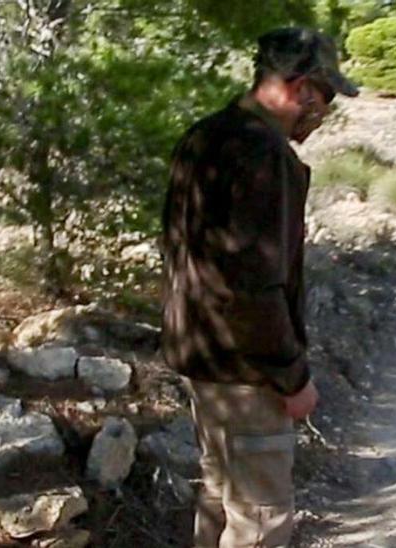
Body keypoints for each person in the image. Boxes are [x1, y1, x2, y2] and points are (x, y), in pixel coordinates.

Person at [160, 26, 358, 548]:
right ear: (300, 87)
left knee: (221, 496)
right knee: (262, 518)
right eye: (326, 95)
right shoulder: (263, 152)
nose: (325, 110)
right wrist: (292, 378)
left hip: (201, 359)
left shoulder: (205, 135)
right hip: (246, 370)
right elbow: (253, 286)